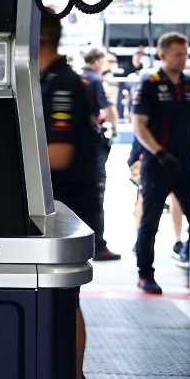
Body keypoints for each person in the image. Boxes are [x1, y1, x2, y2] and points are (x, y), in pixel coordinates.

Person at [38, 12, 99, 379]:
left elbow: (58, 156)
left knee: (65, 300)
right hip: (53, 204)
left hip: (68, 206)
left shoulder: (62, 83)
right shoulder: (41, 80)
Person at [132, 32, 190, 294]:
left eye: (185, 53)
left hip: (186, 162)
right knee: (150, 222)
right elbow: (138, 126)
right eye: (178, 54)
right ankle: (145, 273)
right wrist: (159, 153)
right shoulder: (150, 83)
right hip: (158, 163)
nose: (183, 59)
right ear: (163, 54)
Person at [81, 47, 120, 262]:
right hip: (95, 144)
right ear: (97, 61)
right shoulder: (95, 80)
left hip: (80, 146)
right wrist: (114, 129)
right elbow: (107, 108)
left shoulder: (78, 77)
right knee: (97, 193)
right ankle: (99, 245)